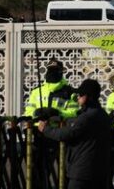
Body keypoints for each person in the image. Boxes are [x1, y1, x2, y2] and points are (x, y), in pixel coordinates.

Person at [38, 79, 113, 189]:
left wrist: (45, 129)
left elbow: (66, 134)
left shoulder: (87, 117)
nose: (77, 97)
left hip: (83, 172)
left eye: (80, 95)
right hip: (100, 171)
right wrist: (60, 118)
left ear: (87, 97)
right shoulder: (103, 115)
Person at [25, 58, 79, 188]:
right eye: (51, 70)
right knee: (39, 170)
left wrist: (57, 113)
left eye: (56, 71)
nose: (53, 73)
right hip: (40, 134)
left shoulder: (69, 92)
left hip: (60, 135)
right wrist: (36, 113)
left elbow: (74, 112)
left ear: (61, 72)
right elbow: (28, 111)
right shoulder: (36, 91)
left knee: (64, 170)